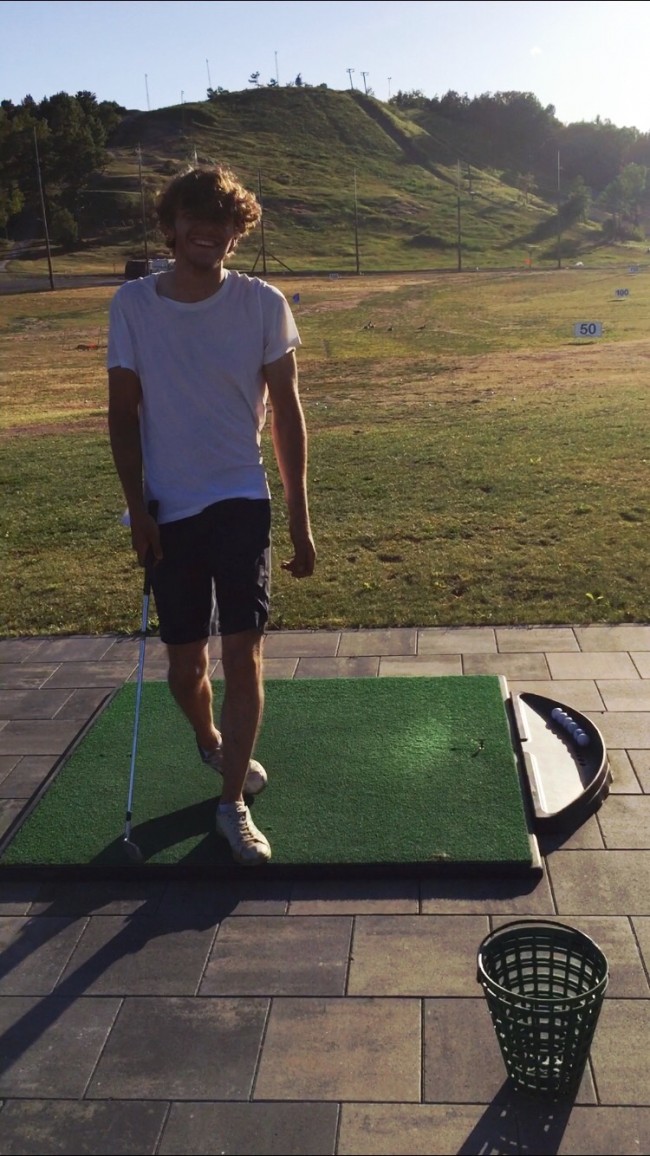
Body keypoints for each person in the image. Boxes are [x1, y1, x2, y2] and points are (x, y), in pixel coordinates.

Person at [107, 165, 315, 866]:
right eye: (194, 217)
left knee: (243, 653)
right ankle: (209, 740)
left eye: (222, 220)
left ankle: (231, 807)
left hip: (240, 498)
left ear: (237, 231)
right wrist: (137, 509)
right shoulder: (133, 305)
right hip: (170, 507)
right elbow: (122, 415)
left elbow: (286, 414)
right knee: (185, 662)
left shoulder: (263, 304)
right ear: (171, 226)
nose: (208, 230)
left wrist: (299, 516)